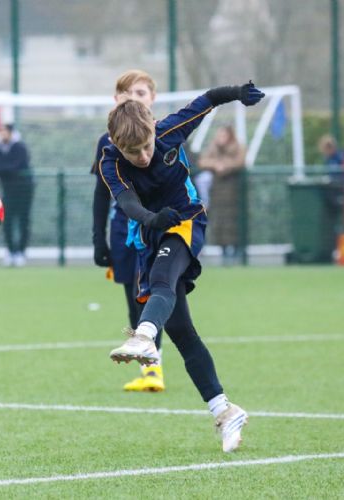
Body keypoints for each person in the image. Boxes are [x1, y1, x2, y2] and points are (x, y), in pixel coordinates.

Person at [99, 81, 265, 452]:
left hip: (187, 221)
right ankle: (224, 410)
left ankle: (143, 336)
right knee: (181, 331)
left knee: (161, 281)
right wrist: (152, 219)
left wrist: (239, 92)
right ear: (117, 145)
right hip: (151, 234)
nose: (143, 155)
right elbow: (128, 205)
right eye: (133, 151)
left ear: (153, 130)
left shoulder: (169, 129)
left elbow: (208, 100)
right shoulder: (110, 161)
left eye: (147, 146)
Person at [91, 69, 164, 392]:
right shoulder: (106, 142)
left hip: (155, 228)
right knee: (133, 298)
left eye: (140, 93)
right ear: (116, 99)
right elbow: (101, 192)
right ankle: (150, 367)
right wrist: (99, 239)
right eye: (127, 93)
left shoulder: (165, 134)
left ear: (152, 98)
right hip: (122, 228)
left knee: (149, 295)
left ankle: (154, 369)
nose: (133, 99)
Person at [0, 123, 34, 267]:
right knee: (7, 221)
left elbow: (18, 166)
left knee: (23, 221)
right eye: (0, 131)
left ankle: (21, 252)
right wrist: (4, 169)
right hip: (7, 190)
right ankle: (10, 251)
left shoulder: (20, 148)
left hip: (24, 190)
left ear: (11, 133)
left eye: (5, 131)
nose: (2, 134)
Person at [198, 125, 246, 264]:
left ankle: (236, 251)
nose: (220, 138)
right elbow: (202, 161)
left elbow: (239, 162)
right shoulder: (213, 148)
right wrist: (215, 164)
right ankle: (224, 251)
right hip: (217, 192)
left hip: (234, 192)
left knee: (234, 222)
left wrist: (224, 166)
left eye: (223, 135)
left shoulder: (237, 148)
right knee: (219, 221)